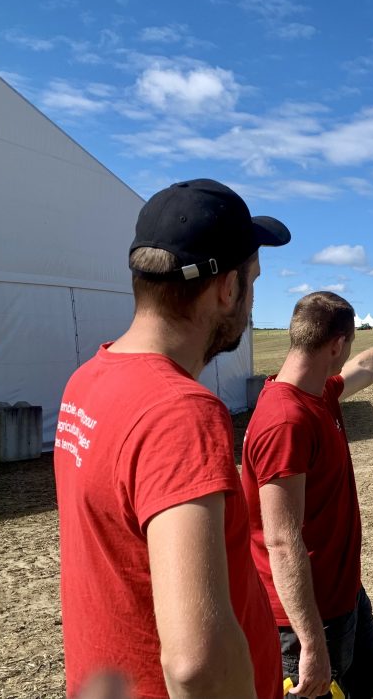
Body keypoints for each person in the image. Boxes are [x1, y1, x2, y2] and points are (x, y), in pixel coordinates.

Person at [53, 179, 291, 699]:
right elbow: (196, 664)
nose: (251, 301)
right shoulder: (179, 411)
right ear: (227, 289)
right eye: (253, 281)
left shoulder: (88, 380)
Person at [241, 292, 373, 699]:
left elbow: (364, 367)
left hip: (343, 594)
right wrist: (311, 645)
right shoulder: (285, 422)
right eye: (347, 346)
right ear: (336, 345)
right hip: (301, 619)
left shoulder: (318, 393)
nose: (350, 355)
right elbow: (279, 539)